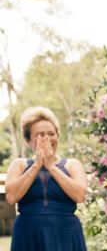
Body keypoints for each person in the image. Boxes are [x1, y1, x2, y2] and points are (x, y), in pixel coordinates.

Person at [4, 106, 87, 251]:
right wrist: (37, 165)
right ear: (29, 140)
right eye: (40, 134)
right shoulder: (18, 165)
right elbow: (11, 196)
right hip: (28, 234)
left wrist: (51, 166)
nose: (47, 138)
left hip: (65, 233)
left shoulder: (72, 165)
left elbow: (80, 195)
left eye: (51, 133)